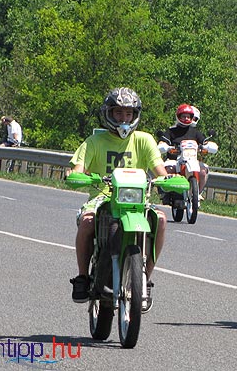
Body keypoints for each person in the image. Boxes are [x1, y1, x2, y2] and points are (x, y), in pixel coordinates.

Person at [68, 87, 168, 312]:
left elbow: (159, 170)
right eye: (119, 113)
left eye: (129, 114)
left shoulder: (144, 140)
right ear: (109, 114)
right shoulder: (94, 141)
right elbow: (77, 169)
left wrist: (170, 180)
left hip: (137, 201)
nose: (124, 118)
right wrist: (77, 175)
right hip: (102, 198)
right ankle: (83, 277)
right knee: (87, 221)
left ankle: (144, 280)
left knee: (160, 219)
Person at [157, 103, 210, 198]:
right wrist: (165, 146)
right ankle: (168, 192)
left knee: (203, 171)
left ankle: (197, 194)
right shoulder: (171, 131)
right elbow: (163, 141)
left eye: (188, 117)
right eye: (183, 116)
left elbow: (204, 141)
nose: (186, 119)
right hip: (175, 160)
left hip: (192, 160)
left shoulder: (195, 131)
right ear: (178, 117)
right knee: (169, 169)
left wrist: (207, 146)